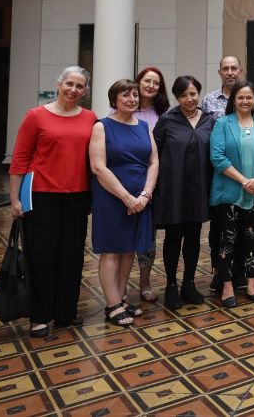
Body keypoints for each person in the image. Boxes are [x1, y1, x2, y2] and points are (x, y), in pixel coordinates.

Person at [9, 66, 97, 338]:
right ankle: (39, 315)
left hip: (77, 196)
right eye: (69, 84)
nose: (74, 90)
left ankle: (65, 311)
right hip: (41, 196)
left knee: (71, 256)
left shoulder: (90, 118)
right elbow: (20, 158)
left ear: (84, 92)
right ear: (59, 84)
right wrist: (14, 198)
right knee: (41, 256)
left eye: (79, 86)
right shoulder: (36, 116)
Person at [89, 79, 159, 327]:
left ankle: (121, 298)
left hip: (141, 196)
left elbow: (153, 162)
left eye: (134, 96)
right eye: (125, 96)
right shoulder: (102, 126)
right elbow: (98, 167)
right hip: (111, 196)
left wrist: (145, 195)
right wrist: (127, 197)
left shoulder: (143, 127)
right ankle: (111, 304)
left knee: (129, 249)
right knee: (111, 250)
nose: (132, 100)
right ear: (114, 100)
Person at [209, 81, 254, 307]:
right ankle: (227, 286)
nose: (245, 101)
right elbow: (217, 158)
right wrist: (243, 181)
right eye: (241, 97)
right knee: (226, 240)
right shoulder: (221, 124)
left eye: (249, 97)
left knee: (253, 239)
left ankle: (251, 285)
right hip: (230, 193)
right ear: (233, 101)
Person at [151, 75, 215, 310]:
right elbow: (153, 155)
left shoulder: (210, 120)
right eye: (183, 95)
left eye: (193, 94)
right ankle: (170, 285)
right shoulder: (167, 120)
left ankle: (189, 283)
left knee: (194, 238)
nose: (189, 99)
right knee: (173, 238)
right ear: (176, 97)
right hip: (173, 190)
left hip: (200, 189)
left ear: (199, 94)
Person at [202, 55, 254, 293]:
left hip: (252, 179)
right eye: (225, 69)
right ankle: (220, 274)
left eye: (233, 68)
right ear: (220, 72)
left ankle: (241, 273)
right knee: (220, 229)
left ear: (240, 70)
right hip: (223, 176)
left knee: (247, 229)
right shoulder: (209, 101)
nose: (230, 72)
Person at [131, 66, 170, 305]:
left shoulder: (164, 114)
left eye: (156, 83)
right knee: (124, 237)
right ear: (138, 83)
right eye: (147, 81)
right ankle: (118, 287)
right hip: (126, 180)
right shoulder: (121, 109)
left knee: (148, 237)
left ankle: (145, 284)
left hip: (154, 181)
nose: (151, 86)